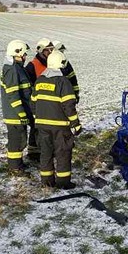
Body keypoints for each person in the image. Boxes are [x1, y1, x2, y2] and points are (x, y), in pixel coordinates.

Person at [31, 50, 82, 189]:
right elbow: (69, 106)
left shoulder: (40, 81)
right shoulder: (63, 82)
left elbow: (33, 102)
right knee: (63, 152)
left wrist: (38, 118)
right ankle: (63, 182)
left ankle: (47, 181)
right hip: (60, 126)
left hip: (42, 125)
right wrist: (76, 124)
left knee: (45, 153)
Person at [0, 40, 33, 172]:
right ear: (16, 53)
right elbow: (13, 94)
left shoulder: (17, 68)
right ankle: (15, 168)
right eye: (23, 55)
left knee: (20, 140)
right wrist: (21, 113)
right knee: (16, 141)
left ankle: (17, 164)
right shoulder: (13, 70)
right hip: (15, 114)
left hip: (18, 113)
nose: (25, 57)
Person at [25, 38, 54, 157]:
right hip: (37, 102)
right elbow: (28, 87)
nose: (50, 53)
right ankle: (33, 150)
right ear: (41, 51)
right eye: (48, 50)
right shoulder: (32, 66)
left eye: (52, 50)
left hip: (48, 101)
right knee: (35, 126)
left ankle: (46, 148)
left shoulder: (50, 63)